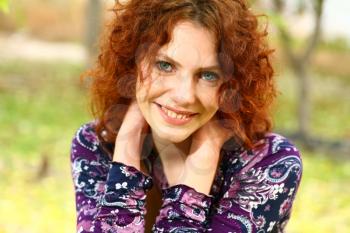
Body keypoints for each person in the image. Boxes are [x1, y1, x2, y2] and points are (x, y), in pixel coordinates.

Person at [70, 0, 303, 232]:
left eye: (208, 75)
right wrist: (127, 151)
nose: (184, 96)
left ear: (232, 85)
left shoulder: (270, 163)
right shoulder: (96, 144)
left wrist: (203, 162)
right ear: (132, 64)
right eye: (165, 65)